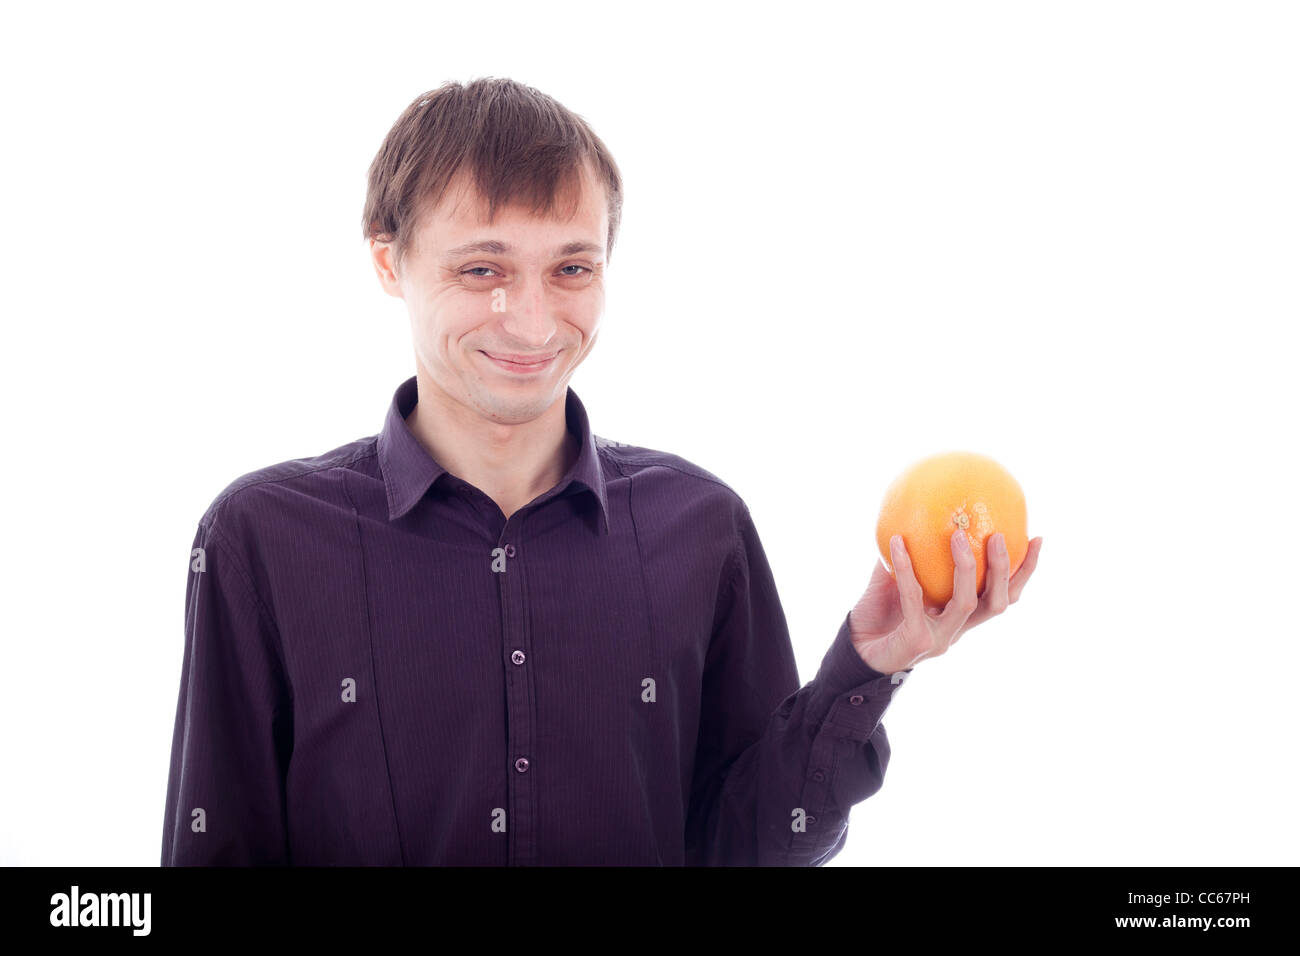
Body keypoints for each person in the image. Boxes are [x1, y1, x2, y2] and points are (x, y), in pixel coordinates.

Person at [161, 76, 1042, 867]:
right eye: (483, 268)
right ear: (389, 261)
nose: (533, 321)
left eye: (571, 267)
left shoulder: (701, 528)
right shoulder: (262, 540)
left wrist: (866, 669)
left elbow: (746, 848)